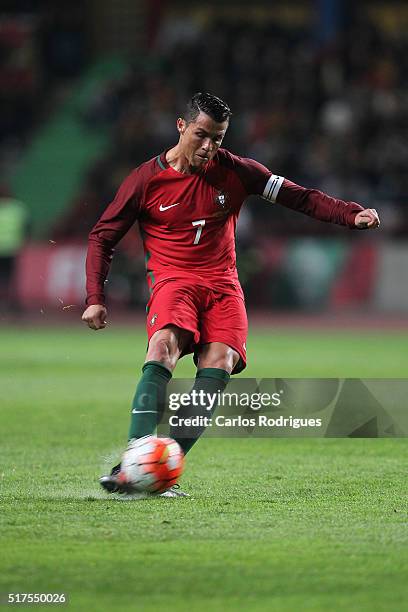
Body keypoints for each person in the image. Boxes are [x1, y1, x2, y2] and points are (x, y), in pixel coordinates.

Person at [82, 92, 380, 497]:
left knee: (220, 363)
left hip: (223, 285)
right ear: (181, 126)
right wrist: (94, 295)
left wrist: (349, 214)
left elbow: (299, 196)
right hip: (175, 280)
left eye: (218, 139)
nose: (209, 147)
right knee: (163, 347)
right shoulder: (145, 180)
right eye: (202, 135)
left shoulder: (239, 172)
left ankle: (157, 468)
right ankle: (137, 458)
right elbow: (103, 237)